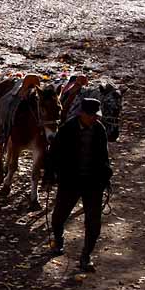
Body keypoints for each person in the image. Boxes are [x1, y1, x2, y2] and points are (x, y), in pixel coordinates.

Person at [43, 97, 113, 272]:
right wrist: (49, 176)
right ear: (82, 113)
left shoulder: (99, 129)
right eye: (91, 115)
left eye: (96, 115)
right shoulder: (67, 129)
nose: (94, 118)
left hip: (93, 182)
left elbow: (104, 156)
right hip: (70, 182)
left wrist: (106, 176)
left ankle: (86, 256)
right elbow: (53, 154)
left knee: (94, 222)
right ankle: (58, 241)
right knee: (58, 217)